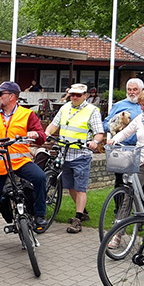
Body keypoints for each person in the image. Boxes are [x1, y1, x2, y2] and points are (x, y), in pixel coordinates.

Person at [0, 81, 47, 240]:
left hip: (20, 162)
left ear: (12, 96)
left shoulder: (27, 115)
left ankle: (39, 214)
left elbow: (41, 136)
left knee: (40, 178)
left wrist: (36, 134)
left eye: (0, 94)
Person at [47, 82, 106, 232]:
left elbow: (99, 131)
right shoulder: (65, 107)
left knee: (80, 188)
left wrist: (94, 141)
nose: (74, 97)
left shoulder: (92, 110)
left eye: (78, 95)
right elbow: (54, 125)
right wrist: (46, 134)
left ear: (85, 96)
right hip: (65, 153)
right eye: (72, 94)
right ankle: (83, 211)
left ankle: (78, 218)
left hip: (81, 154)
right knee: (70, 186)